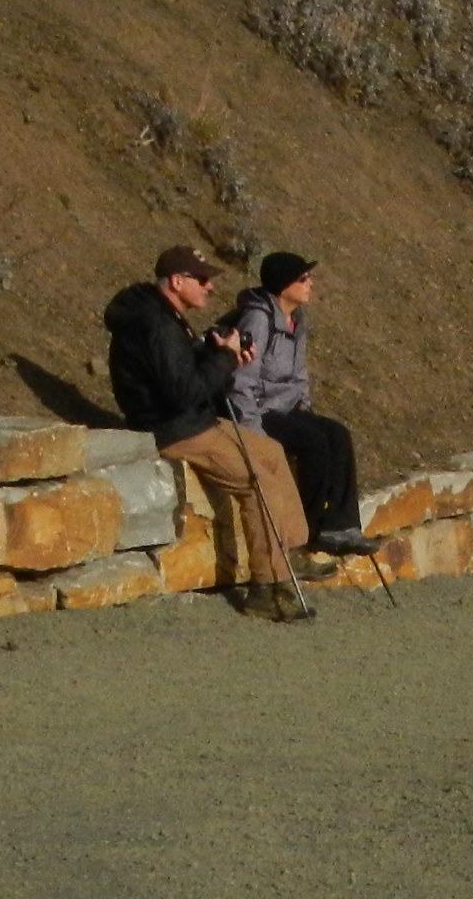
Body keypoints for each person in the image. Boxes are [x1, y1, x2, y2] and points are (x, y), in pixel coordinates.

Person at [104, 243, 315, 621]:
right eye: (202, 280)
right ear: (177, 281)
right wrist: (224, 358)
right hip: (174, 427)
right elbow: (183, 392)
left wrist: (216, 354)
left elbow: (180, 374)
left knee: (271, 453)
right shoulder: (155, 324)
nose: (210, 288)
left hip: (194, 418)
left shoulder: (166, 315)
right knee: (255, 480)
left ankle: (290, 553)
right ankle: (265, 586)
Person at [223, 252, 375, 557]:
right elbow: (241, 379)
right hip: (261, 409)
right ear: (283, 285)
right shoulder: (258, 319)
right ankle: (314, 527)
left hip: (287, 407)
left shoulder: (296, 320)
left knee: (337, 434)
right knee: (314, 443)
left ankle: (343, 524)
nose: (310, 283)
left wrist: (304, 403)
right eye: (303, 278)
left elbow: (299, 370)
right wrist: (252, 430)